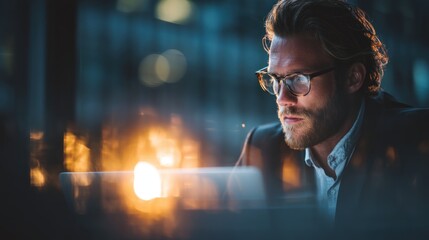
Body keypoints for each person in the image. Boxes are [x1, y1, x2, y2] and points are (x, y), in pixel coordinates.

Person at [235, 0, 429, 238]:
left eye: (299, 79)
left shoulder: (416, 143)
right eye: (275, 80)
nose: (283, 98)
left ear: (353, 78)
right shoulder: (262, 150)